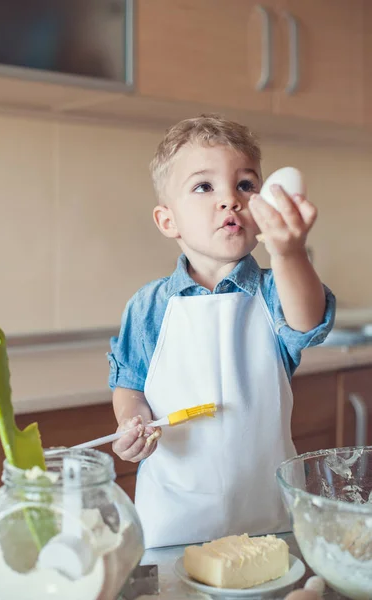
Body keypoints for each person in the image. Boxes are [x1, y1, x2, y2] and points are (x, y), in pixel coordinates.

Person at [107, 114, 335, 549]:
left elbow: (308, 321)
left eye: (246, 185)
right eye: (204, 187)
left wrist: (288, 251)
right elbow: (130, 385)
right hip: (173, 522)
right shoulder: (148, 306)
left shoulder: (274, 289)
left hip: (269, 518)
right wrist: (129, 420)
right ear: (168, 220)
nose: (230, 199)